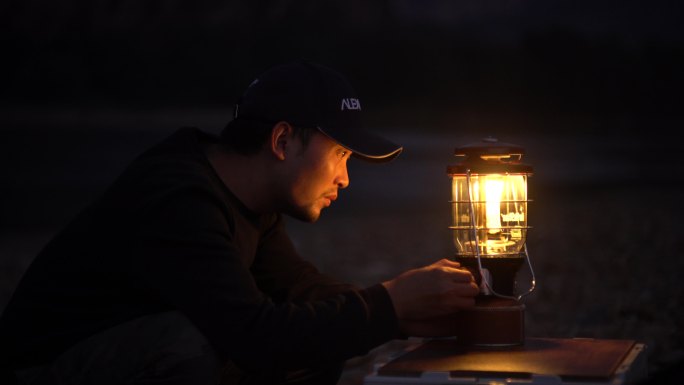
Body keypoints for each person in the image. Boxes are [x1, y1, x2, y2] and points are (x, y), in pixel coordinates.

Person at [0, 60, 479, 385]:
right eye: (339, 155)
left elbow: (299, 289)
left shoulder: (251, 199)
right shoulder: (179, 198)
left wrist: (407, 307)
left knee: (315, 338)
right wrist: (388, 306)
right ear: (282, 141)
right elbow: (255, 335)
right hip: (43, 368)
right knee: (192, 344)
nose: (345, 179)